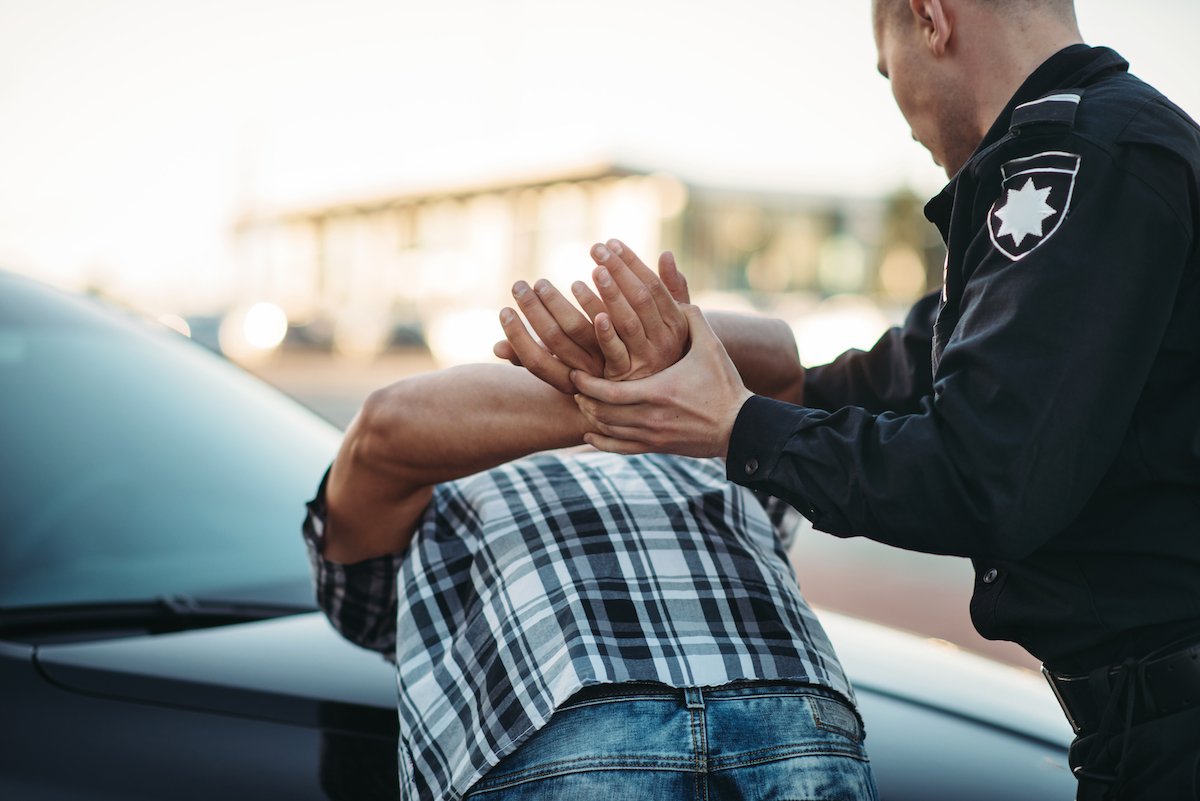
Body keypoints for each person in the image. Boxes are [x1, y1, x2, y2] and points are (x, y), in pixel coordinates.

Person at [501, 1, 1200, 798]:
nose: (897, 104)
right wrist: (685, 361)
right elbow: (891, 381)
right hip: (1146, 729)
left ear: (931, 17)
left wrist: (736, 425)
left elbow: (984, 474)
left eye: (885, 68)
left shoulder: (1080, 155)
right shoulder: (1087, 149)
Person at [301, 280, 878, 801]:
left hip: (785, 707)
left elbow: (782, 359)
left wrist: (669, 340)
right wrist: (645, 399)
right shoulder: (427, 499)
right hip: (568, 724)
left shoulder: (716, 444)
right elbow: (387, 427)